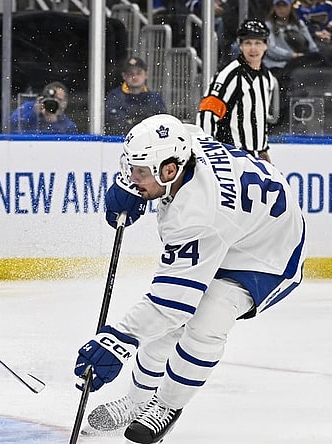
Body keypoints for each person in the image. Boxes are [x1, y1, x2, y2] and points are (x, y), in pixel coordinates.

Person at [74, 113, 306, 444]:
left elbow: (172, 305)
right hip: (242, 222)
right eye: (130, 169)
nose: (131, 177)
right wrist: (134, 187)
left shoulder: (196, 215)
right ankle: (136, 403)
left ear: (170, 171)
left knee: (204, 322)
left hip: (267, 252)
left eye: (139, 172)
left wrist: (117, 341)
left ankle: (166, 405)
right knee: (164, 328)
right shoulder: (183, 140)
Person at [197, 19, 277, 163]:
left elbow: (259, 117)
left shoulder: (267, 77)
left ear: (266, 45)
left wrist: (262, 149)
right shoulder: (230, 75)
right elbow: (207, 114)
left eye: (258, 43)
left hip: (255, 158)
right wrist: (207, 152)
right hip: (232, 156)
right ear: (240, 46)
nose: (253, 48)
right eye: (248, 43)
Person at [104, 57, 167, 135]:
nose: (134, 77)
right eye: (130, 74)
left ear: (146, 75)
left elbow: (162, 123)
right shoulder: (114, 97)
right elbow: (115, 125)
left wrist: (132, 122)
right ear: (124, 76)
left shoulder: (155, 99)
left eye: (139, 73)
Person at [10, 81, 78, 134]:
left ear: (65, 103)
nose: (53, 102)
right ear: (43, 98)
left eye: (58, 100)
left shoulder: (69, 126)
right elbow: (11, 125)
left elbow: (65, 145)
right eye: (51, 98)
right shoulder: (29, 107)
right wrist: (33, 113)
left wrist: (53, 122)